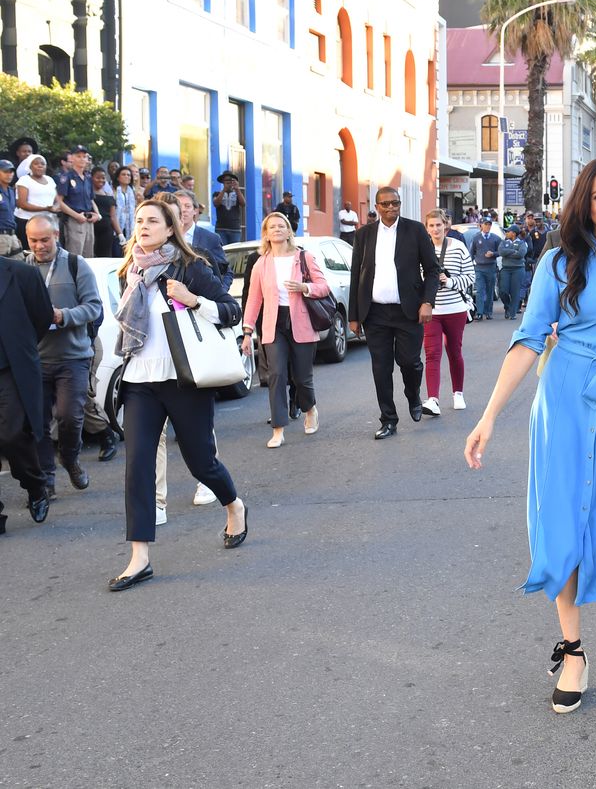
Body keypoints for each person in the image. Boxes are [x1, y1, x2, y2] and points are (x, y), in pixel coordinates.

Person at [464, 156, 596, 715]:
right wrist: (488, 416)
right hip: (563, 401)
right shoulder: (559, 264)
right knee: (563, 520)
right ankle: (574, 649)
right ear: (583, 204)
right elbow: (528, 339)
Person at [108, 198, 248, 591]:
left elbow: (230, 312)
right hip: (139, 381)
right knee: (137, 466)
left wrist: (194, 300)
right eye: (139, 221)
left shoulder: (191, 267)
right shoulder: (129, 270)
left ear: (170, 228)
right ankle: (139, 558)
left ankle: (233, 505)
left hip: (183, 380)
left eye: (153, 220)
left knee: (201, 462)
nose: (144, 226)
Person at [347, 186, 438, 440]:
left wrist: (427, 302)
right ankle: (388, 419)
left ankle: (413, 395)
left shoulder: (415, 230)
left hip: (408, 311)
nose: (390, 208)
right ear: (377, 207)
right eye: (385, 204)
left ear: (400, 205)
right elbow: (357, 275)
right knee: (381, 368)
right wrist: (354, 315)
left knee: (410, 362)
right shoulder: (364, 235)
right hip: (374, 313)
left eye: (395, 203)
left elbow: (432, 270)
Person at [24, 214, 103, 497]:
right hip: (35, 360)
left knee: (70, 417)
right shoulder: (23, 268)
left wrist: (62, 316)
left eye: (45, 239)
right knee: (38, 423)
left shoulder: (75, 264)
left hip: (73, 357)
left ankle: (69, 459)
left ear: (56, 235)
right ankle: (46, 479)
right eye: (33, 240)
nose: (39, 246)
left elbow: (93, 307)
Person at [242, 212, 329, 447]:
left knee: (302, 378)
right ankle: (278, 429)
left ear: (289, 231)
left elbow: (323, 287)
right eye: (272, 227)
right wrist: (248, 331)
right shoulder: (261, 263)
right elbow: (253, 299)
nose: (277, 230)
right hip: (273, 324)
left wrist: (304, 287)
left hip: (300, 321)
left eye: (282, 226)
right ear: (266, 234)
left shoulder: (304, 257)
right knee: (276, 375)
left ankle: (309, 408)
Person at [0, 255, 54, 533]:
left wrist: (20, 344)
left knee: (12, 434)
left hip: (11, 367)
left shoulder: (21, 274)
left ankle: (35, 485)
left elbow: (42, 317)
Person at [423, 209, 475, 415]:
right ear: (426, 228)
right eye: (431, 225)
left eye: (438, 225)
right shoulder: (422, 249)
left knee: (454, 352)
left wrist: (450, 281)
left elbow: (470, 276)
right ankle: (433, 400)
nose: (435, 229)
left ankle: (458, 393)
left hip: (455, 309)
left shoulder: (459, 247)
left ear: (445, 225)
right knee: (432, 354)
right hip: (431, 311)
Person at [56, 145, 99, 258]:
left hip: (88, 219)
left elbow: (91, 199)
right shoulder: (66, 177)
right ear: (72, 158)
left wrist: (97, 214)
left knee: (89, 254)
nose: (82, 159)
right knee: (75, 255)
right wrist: (76, 216)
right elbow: (59, 202)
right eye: (78, 156)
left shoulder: (88, 177)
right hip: (74, 220)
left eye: (84, 156)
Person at [16, 155, 62, 252]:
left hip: (48, 222)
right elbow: (22, 204)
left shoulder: (50, 180)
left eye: (42, 164)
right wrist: (45, 208)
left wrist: (56, 207)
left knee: (52, 250)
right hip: (27, 221)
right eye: (36, 163)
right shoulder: (24, 180)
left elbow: (57, 200)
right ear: (30, 167)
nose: (40, 166)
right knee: (31, 251)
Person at [469, 217, 502, 320]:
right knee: (479, 290)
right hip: (479, 267)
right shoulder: (476, 238)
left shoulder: (496, 238)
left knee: (490, 290)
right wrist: (470, 265)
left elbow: (501, 251)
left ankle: (488, 312)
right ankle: (479, 312)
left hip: (491, 267)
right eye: (485, 224)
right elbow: (472, 252)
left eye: (489, 224)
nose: (487, 226)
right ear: (481, 225)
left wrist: (493, 254)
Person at [497, 225, 527, 319]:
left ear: (513, 233)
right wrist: (513, 251)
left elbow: (521, 254)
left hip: (518, 269)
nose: (506, 233)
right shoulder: (503, 242)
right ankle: (507, 306)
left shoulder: (521, 243)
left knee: (515, 292)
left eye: (508, 231)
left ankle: (512, 313)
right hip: (506, 268)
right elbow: (501, 252)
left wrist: (508, 253)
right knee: (503, 291)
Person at [91, 166, 121, 257]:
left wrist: (120, 233)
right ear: (91, 178)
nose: (101, 180)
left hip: (106, 231)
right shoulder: (88, 194)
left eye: (103, 178)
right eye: (98, 177)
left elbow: (113, 217)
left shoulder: (109, 195)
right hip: (92, 229)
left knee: (106, 256)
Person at [212, 171, 246, 245]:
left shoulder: (238, 194)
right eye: (226, 181)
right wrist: (224, 190)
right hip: (221, 228)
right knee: (222, 250)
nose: (228, 183)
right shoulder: (217, 194)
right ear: (223, 182)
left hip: (235, 229)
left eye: (230, 181)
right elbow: (216, 204)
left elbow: (243, 203)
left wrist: (237, 189)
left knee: (234, 253)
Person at [113, 166, 138, 247]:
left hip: (130, 224)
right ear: (118, 177)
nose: (127, 176)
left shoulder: (132, 191)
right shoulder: (114, 190)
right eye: (123, 174)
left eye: (128, 175)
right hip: (116, 224)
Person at [0, 159, 19, 257]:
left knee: (20, 266)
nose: (9, 174)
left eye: (11, 172)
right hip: (1, 236)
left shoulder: (11, 191)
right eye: (5, 171)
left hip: (12, 235)